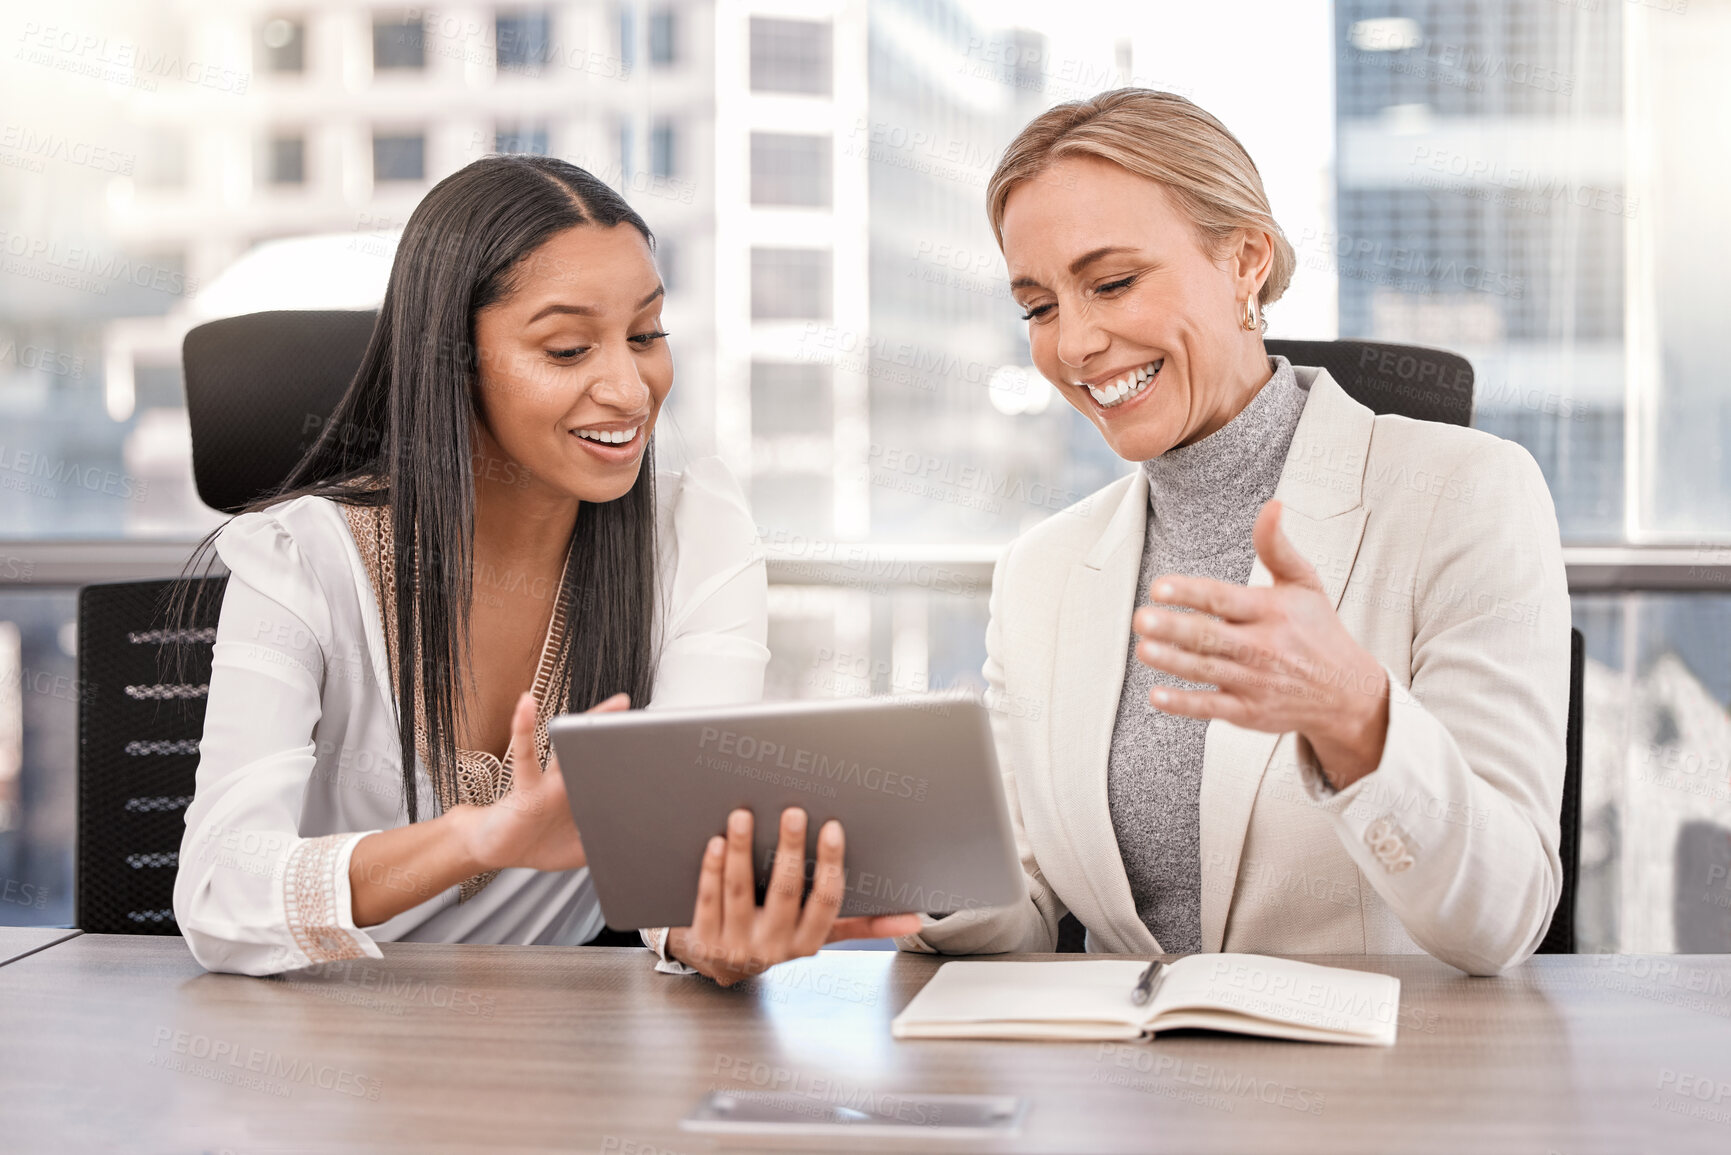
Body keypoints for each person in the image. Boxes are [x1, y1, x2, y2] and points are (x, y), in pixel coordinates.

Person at [170, 155, 918, 981]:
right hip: (326, 1048)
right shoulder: (301, 562)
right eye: (567, 349)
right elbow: (215, 892)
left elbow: (682, 851)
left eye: (645, 335)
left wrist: (709, 937)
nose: (630, 391)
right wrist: (474, 838)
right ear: (450, 361)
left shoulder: (692, 528)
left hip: (558, 1054)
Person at [898, 90, 1570, 975]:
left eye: (1111, 283)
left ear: (1245, 258)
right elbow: (1025, 902)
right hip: (1123, 1098)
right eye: (1038, 307)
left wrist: (1353, 714)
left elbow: (1503, 913)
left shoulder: (1466, 495)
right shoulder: (1041, 570)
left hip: (1379, 1095)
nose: (1074, 344)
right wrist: (909, 875)